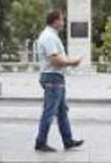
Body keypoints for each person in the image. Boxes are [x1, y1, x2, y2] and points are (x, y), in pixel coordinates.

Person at [34, 11, 84, 153]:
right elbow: (55, 60)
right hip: (52, 77)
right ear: (55, 21)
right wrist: (73, 61)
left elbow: (58, 58)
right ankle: (40, 142)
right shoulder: (49, 37)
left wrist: (70, 62)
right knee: (49, 111)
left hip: (56, 77)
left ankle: (68, 140)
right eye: (62, 20)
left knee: (62, 111)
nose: (63, 23)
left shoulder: (51, 36)